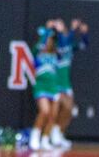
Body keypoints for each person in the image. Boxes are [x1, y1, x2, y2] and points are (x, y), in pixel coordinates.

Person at [51, 18, 89, 149]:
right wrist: (72, 29)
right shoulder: (57, 43)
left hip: (66, 82)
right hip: (56, 81)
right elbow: (63, 41)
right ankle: (52, 133)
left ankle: (58, 132)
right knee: (58, 109)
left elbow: (84, 44)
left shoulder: (70, 47)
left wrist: (84, 33)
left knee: (70, 110)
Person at [29, 20, 61, 151]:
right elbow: (38, 46)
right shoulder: (38, 52)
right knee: (45, 111)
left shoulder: (56, 54)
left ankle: (45, 139)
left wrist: (57, 30)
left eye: (51, 40)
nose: (49, 41)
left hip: (53, 87)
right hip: (41, 86)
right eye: (47, 40)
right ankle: (35, 135)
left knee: (53, 115)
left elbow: (63, 42)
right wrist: (47, 31)